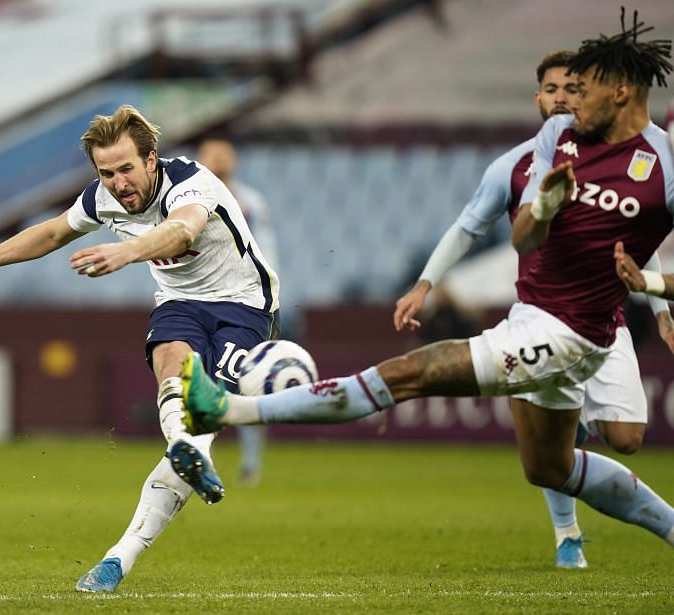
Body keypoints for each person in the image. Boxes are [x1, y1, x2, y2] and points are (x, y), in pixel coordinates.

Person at [179, 11, 674, 562]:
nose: (572, 102)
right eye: (565, 90)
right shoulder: (559, 136)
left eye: (586, 90)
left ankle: (225, 409)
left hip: (574, 334)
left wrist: (653, 286)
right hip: (534, 318)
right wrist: (548, 205)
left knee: (409, 374)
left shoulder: (665, 164)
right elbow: (523, 237)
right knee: (548, 468)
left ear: (622, 90)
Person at [0, 105, 280, 593]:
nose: (118, 183)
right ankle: (185, 447)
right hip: (182, 301)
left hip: (243, 306)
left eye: (126, 169)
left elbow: (181, 229)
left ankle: (122, 553)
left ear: (152, 160)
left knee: (200, 417)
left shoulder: (191, 182)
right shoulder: (102, 199)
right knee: (170, 365)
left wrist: (125, 250)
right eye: (106, 173)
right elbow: (53, 232)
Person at [392, 50, 674, 569]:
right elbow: (466, 228)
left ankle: (577, 476)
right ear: (538, 98)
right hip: (540, 319)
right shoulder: (515, 165)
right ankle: (567, 534)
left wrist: (658, 306)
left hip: (605, 322)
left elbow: (642, 235)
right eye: (553, 90)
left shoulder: (619, 156)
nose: (564, 98)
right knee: (550, 452)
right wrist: (425, 284)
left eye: (573, 88)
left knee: (627, 439)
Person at [196, 137, 281, 486]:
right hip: (204, 301)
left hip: (247, 303)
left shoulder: (249, 202)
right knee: (202, 384)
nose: (218, 162)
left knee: (245, 385)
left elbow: (265, 251)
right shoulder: (189, 200)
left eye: (222, 158)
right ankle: (200, 454)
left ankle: (249, 461)